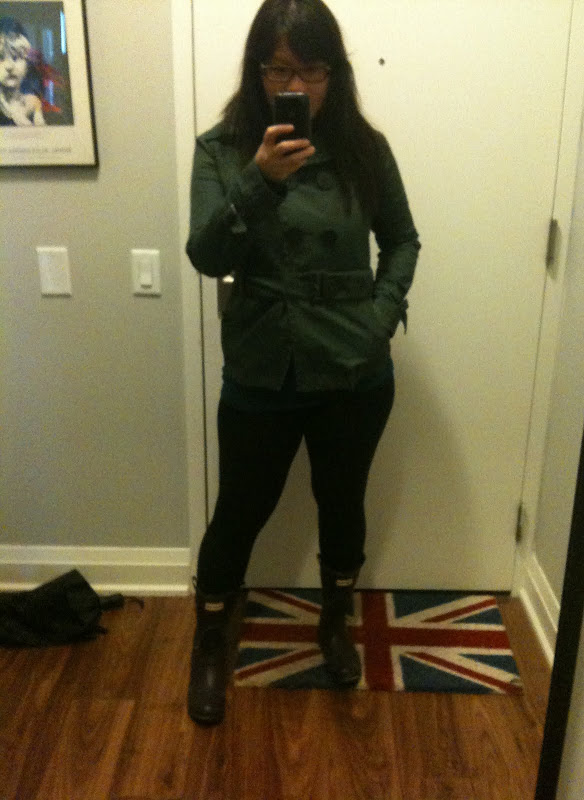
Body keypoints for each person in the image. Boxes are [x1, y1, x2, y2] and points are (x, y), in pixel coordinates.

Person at [186, 0, 420, 725]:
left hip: (353, 369)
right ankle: (210, 639)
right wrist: (258, 179)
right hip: (263, 366)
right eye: (280, 69)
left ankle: (333, 623)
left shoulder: (365, 150)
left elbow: (403, 241)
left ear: (335, 73)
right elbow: (206, 255)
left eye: (312, 70)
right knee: (239, 511)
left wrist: (378, 321)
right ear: (257, 71)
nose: (296, 85)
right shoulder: (222, 150)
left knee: (342, 503)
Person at [0, 17, 45, 126]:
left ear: (27, 64)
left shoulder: (33, 103)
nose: (9, 66)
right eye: (0, 58)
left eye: (17, 57)